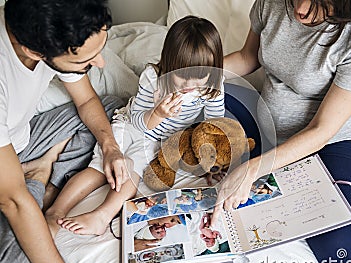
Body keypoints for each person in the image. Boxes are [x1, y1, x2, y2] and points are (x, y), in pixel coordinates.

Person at [213, 0, 351, 263]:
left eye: (322, 4)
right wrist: (198, 75)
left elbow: (322, 130)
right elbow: (249, 56)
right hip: (272, 129)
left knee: (335, 237)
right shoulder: (273, 3)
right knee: (201, 106)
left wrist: (252, 168)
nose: (300, 8)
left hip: (345, 141)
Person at [46, 15, 225, 236]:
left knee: (132, 169)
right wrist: (157, 113)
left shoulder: (213, 86)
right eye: (181, 76)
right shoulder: (153, 78)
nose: (190, 85)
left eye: (200, 77)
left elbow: (213, 125)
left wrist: (212, 160)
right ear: (169, 63)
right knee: (100, 167)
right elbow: (138, 120)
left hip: (159, 141)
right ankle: (55, 211)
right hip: (131, 125)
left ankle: (102, 215)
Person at [0, 0, 129, 263]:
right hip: (6, 173)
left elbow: (87, 102)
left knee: (114, 110)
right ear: (33, 51)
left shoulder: (52, 23)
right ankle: (39, 178)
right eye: (85, 61)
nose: (101, 63)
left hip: (24, 139)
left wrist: (110, 148)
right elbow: (12, 202)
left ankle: (42, 173)